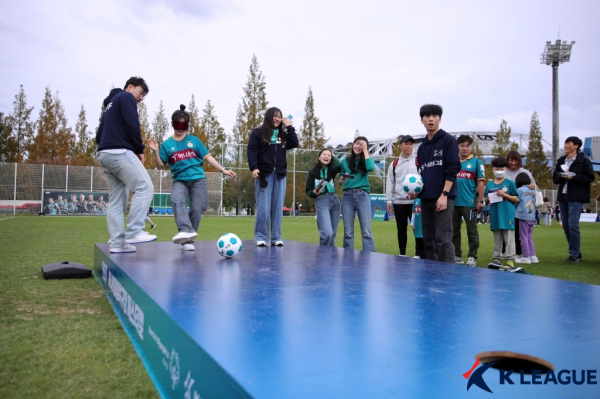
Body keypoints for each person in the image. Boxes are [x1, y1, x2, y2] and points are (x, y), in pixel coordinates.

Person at [149, 105, 236, 251]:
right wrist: (156, 152)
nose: (180, 128)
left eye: (184, 125)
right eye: (178, 125)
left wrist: (223, 170)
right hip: (180, 180)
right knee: (177, 200)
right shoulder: (166, 145)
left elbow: (208, 158)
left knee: (198, 208)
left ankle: (187, 241)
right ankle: (185, 231)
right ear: (172, 124)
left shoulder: (194, 141)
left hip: (198, 179)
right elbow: (159, 166)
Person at [96, 77, 156, 253]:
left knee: (116, 200)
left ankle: (117, 243)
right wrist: (139, 149)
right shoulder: (126, 97)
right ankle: (134, 231)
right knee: (144, 186)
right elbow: (132, 124)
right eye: (140, 92)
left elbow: (98, 135)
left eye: (144, 96)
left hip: (104, 154)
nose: (140, 98)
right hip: (119, 151)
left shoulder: (109, 105)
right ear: (130, 87)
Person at [414, 104, 461, 263]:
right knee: (428, 240)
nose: (431, 119)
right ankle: (432, 276)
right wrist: (416, 191)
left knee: (443, 240)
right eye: (427, 116)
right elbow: (423, 173)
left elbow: (453, 168)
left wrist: (444, 195)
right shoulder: (421, 147)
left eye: (434, 116)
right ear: (422, 120)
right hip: (426, 199)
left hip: (443, 198)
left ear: (439, 118)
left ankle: (446, 277)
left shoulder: (448, 140)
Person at [247, 107, 299, 246]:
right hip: (264, 174)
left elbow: (295, 142)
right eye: (274, 116)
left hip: (280, 175)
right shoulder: (258, 133)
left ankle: (276, 237)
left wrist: (289, 127)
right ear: (269, 117)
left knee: (277, 207)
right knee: (263, 207)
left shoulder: (283, 135)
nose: (276, 119)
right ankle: (262, 237)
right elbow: (251, 151)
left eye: (279, 116)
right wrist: (254, 167)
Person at [552, 136, 596, 263]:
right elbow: (555, 179)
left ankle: (574, 254)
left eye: (568, 143)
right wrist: (563, 176)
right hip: (563, 196)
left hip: (576, 197)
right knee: (566, 225)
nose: (565, 145)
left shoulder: (583, 161)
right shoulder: (561, 161)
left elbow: (589, 178)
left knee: (573, 225)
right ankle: (576, 252)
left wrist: (574, 177)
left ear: (576, 146)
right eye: (565, 143)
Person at [452, 135, 485, 267]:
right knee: (454, 231)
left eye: (467, 146)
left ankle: (472, 256)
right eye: (462, 146)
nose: (465, 149)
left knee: (472, 231)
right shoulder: (453, 161)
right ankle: (456, 255)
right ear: (458, 147)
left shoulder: (477, 163)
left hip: (470, 203)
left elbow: (481, 183)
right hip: (453, 203)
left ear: (471, 147)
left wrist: (480, 201)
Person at [340, 136, 376, 252]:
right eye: (356, 143)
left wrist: (365, 151)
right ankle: (348, 257)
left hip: (362, 196)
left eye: (362, 144)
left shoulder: (367, 161)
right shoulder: (345, 161)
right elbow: (339, 180)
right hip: (347, 197)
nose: (358, 146)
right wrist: (341, 180)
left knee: (366, 231)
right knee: (348, 232)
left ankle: (369, 257)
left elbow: (370, 168)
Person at [385, 135, 418, 257]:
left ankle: (419, 254)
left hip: (415, 202)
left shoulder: (418, 161)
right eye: (406, 144)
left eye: (411, 144)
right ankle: (402, 254)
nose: (408, 146)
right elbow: (390, 182)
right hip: (399, 201)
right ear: (401, 146)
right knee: (401, 229)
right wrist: (389, 200)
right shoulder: (395, 163)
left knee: (417, 229)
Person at [485, 157, 519, 268]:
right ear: (493, 169)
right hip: (495, 214)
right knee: (497, 238)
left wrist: (504, 194)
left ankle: (510, 260)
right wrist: (487, 199)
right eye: (497, 168)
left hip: (507, 214)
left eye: (502, 168)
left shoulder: (510, 183)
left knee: (509, 238)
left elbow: (516, 199)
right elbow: (486, 199)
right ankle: (496, 259)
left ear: (506, 169)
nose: (499, 170)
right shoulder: (489, 184)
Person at [306, 149, 342, 246]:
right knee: (327, 234)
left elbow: (338, 165)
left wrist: (333, 155)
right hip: (322, 201)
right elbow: (308, 191)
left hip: (334, 200)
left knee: (333, 235)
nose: (326, 157)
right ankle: (322, 256)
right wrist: (314, 192)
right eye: (324, 154)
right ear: (319, 157)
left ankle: (330, 259)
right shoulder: (312, 172)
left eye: (329, 155)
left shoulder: (332, 170)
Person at [505, 151, 536, 260]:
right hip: (507, 205)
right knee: (507, 230)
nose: (513, 163)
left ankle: (518, 252)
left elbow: (534, 188)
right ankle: (507, 250)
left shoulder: (525, 172)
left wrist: (532, 186)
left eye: (515, 160)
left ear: (519, 161)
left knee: (519, 231)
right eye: (510, 160)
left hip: (520, 208)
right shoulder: (504, 172)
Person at [514, 172, 538, 264]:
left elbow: (516, 201)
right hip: (532, 216)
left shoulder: (520, 190)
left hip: (523, 216)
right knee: (529, 237)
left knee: (523, 237)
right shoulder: (533, 190)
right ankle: (533, 256)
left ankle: (526, 257)